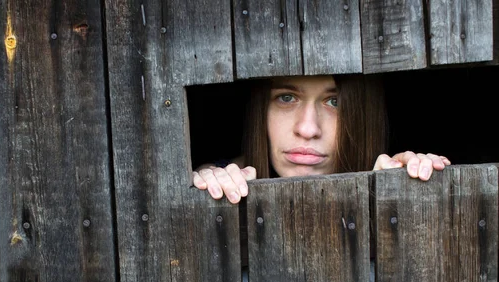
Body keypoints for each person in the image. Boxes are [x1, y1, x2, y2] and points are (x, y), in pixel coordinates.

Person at [193, 74, 451, 203]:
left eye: (334, 102)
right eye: (286, 97)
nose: (307, 129)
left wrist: (402, 189)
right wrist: (208, 181)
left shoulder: (389, 173)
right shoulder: (226, 173)